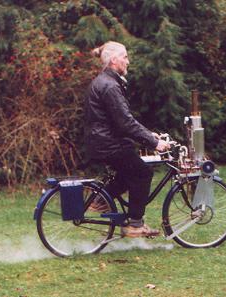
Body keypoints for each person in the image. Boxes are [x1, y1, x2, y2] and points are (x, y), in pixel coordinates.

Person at [84, 41, 170, 238]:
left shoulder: (105, 82)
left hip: (102, 142)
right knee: (142, 174)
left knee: (128, 173)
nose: (128, 61)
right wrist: (155, 143)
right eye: (125, 57)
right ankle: (135, 224)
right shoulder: (109, 86)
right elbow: (125, 123)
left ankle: (100, 201)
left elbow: (123, 120)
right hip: (108, 144)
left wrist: (149, 135)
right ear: (114, 60)